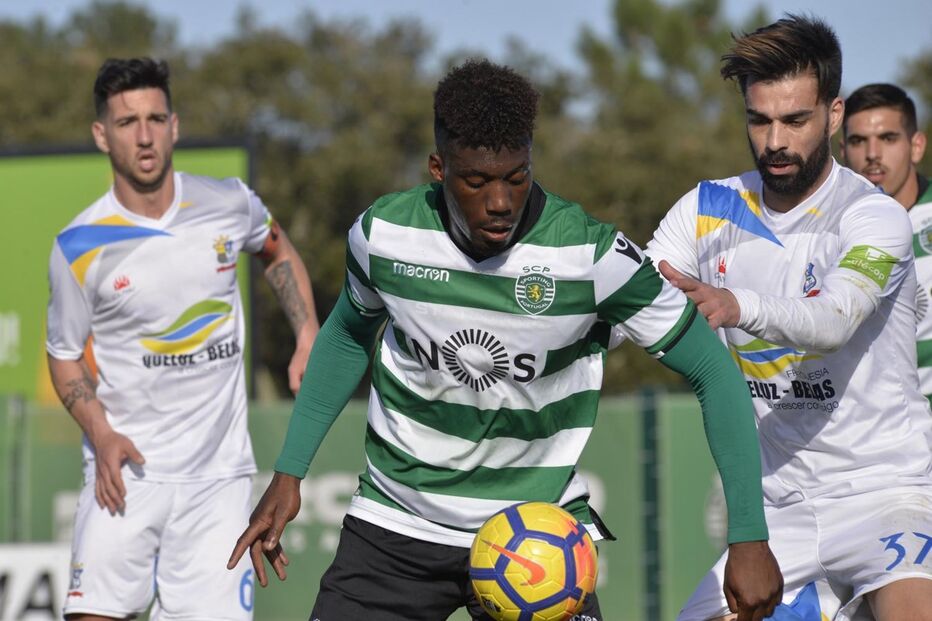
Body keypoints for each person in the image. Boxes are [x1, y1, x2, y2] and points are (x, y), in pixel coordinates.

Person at [227, 58, 782, 621]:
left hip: (535, 541)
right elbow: (348, 334)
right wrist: (290, 471)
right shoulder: (384, 236)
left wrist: (748, 535)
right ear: (438, 169)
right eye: (477, 181)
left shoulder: (590, 257)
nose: (500, 202)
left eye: (517, 177)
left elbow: (713, 369)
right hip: (396, 525)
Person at [646, 15, 932, 621]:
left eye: (795, 121)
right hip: (778, 514)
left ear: (832, 115)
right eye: (759, 120)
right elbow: (634, 297)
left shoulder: (871, 215)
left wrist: (735, 306)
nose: (775, 140)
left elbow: (833, 319)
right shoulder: (708, 207)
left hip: (886, 495)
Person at [46, 57, 319, 620]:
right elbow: (64, 356)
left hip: (218, 481)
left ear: (175, 125)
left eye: (155, 118)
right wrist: (100, 434)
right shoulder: (77, 245)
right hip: (124, 476)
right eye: (126, 123)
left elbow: (275, 249)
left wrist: (306, 329)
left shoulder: (229, 202)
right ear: (102, 134)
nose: (143, 137)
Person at [841, 83, 932, 402]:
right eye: (858, 141)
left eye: (888, 138)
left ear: (916, 146)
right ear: (842, 152)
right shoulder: (828, 229)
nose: (872, 155)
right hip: (869, 434)